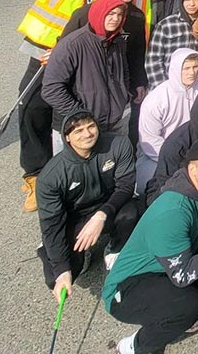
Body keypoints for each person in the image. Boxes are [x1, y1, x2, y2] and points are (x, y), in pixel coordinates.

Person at [102, 136, 198, 354]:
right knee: (188, 305)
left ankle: (175, 308)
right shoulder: (172, 211)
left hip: (174, 263)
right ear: (192, 169)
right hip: (129, 287)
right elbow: (183, 275)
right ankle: (135, 345)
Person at [17, 0, 109, 211]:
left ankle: (77, 171)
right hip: (43, 57)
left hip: (80, 63)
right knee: (31, 108)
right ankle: (35, 175)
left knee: (73, 115)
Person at [37, 111, 138, 298]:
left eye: (91, 126)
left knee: (133, 213)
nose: (87, 134)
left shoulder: (119, 144)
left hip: (109, 206)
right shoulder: (50, 177)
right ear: (67, 137)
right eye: (78, 131)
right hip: (74, 218)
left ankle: (115, 248)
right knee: (56, 278)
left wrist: (101, 214)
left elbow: (125, 187)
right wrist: (62, 270)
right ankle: (75, 253)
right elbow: (52, 225)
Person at [42, 0, 130, 150]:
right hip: (78, 128)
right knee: (75, 173)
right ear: (98, 13)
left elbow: (123, 73)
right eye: (110, 14)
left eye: (119, 14)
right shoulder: (72, 45)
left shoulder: (118, 41)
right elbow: (51, 89)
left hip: (114, 123)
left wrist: (123, 96)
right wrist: (80, 115)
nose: (115, 19)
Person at [138, 49, 198, 194]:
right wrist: (178, 160)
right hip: (161, 155)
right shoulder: (156, 99)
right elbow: (150, 140)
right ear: (176, 68)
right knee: (147, 187)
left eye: (195, 67)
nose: (192, 72)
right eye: (186, 68)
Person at [145, 0, 198, 88]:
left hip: (195, 86)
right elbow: (153, 59)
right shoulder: (166, 25)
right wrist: (163, 87)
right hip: (167, 85)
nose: (192, 4)